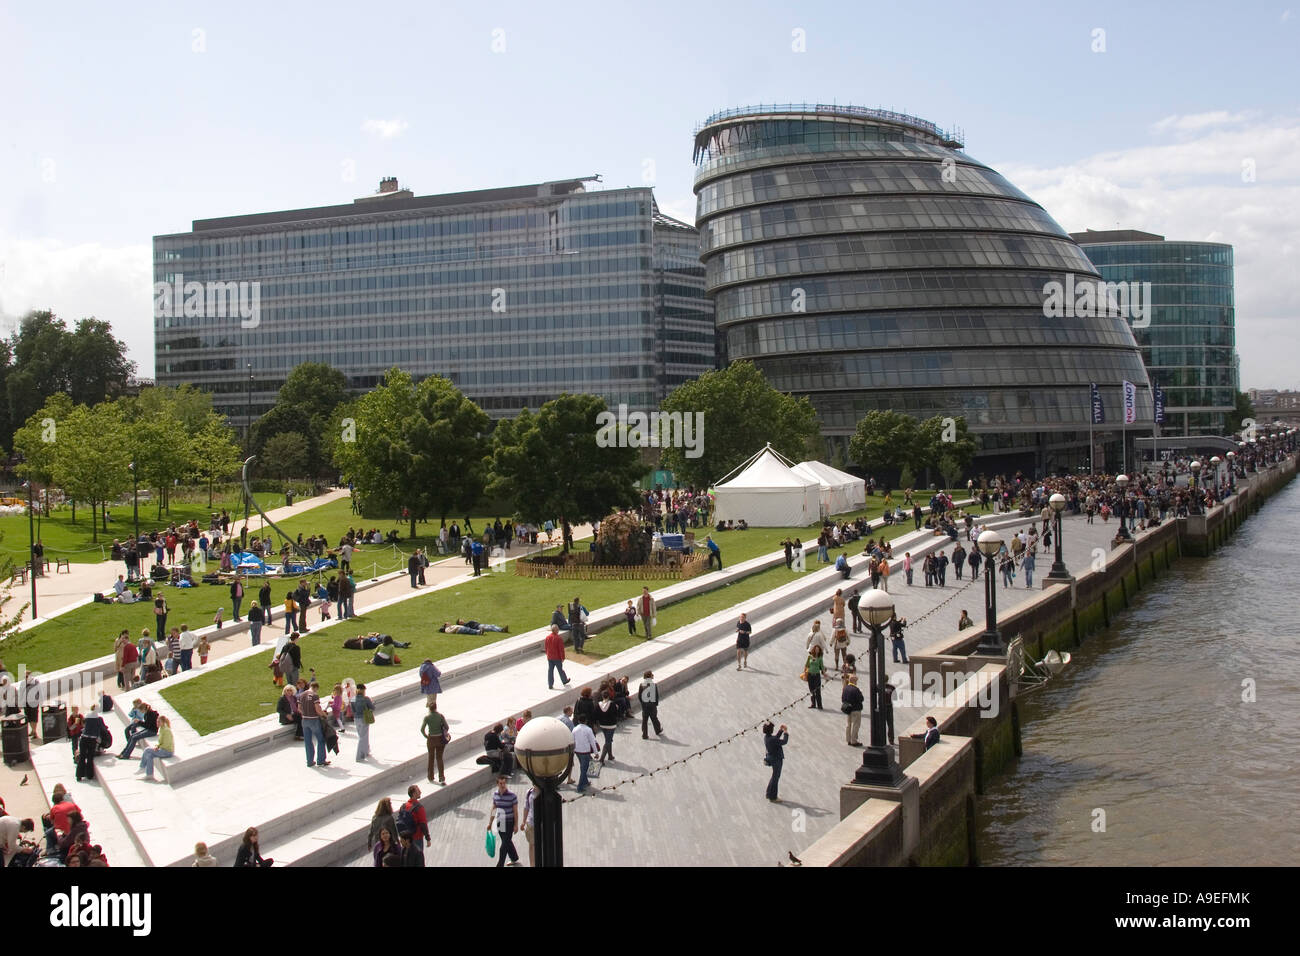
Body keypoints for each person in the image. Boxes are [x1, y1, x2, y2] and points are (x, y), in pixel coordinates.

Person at [488, 775, 521, 866]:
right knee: (506, 842)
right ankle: (514, 857)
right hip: (500, 822)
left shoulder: (512, 796)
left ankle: (500, 864)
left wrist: (516, 825)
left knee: (504, 846)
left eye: (504, 783)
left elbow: (515, 811)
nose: (503, 785)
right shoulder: (495, 795)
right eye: (501, 783)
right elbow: (494, 808)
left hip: (509, 822)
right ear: (497, 784)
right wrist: (490, 822)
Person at [299, 680, 330, 768]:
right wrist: (323, 715)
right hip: (314, 720)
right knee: (320, 740)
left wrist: (305, 714)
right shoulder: (315, 695)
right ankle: (320, 760)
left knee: (308, 741)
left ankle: (309, 761)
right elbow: (317, 709)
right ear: (316, 688)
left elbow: (299, 708)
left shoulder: (301, 695)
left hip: (304, 720)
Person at [421, 700, 449, 785]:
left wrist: (427, 736)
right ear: (436, 707)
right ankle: (441, 776)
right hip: (440, 739)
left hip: (431, 739)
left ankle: (430, 776)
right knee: (439, 758)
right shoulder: (440, 716)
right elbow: (447, 727)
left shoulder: (427, 717)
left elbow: (422, 729)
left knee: (431, 757)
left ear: (429, 708)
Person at [138, 715, 174, 781]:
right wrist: (157, 746)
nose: (157, 723)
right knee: (150, 755)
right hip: (163, 749)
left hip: (168, 752)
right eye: (157, 722)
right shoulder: (161, 729)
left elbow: (166, 744)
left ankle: (142, 767)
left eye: (159, 722)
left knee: (147, 750)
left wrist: (158, 747)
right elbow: (160, 742)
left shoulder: (166, 731)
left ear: (163, 722)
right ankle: (149, 775)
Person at [399, 785, 432, 850]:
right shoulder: (419, 807)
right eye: (418, 791)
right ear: (414, 793)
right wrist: (428, 838)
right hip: (417, 837)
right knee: (418, 858)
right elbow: (423, 824)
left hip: (406, 838)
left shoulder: (403, 806)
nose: (420, 792)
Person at [572, 714, 599, 793]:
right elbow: (592, 742)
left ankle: (585, 782)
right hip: (585, 751)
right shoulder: (588, 730)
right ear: (586, 721)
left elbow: (572, 740)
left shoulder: (574, 729)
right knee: (585, 769)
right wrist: (596, 752)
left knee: (583, 767)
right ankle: (580, 787)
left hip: (577, 751)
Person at [763, 722, 788, 802]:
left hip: (772, 758)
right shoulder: (772, 739)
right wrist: (786, 733)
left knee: (774, 776)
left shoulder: (767, 737)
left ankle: (769, 793)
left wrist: (780, 731)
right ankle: (773, 797)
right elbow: (784, 741)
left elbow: (775, 739)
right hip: (777, 759)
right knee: (776, 777)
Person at [350, 682, 374, 761]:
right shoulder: (366, 699)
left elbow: (353, 710)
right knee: (363, 737)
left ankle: (366, 751)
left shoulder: (353, 699)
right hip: (364, 718)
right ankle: (359, 756)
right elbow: (372, 708)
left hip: (356, 719)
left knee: (362, 736)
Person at [544, 624, 570, 690]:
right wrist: (563, 657)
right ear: (556, 630)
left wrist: (547, 655)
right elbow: (561, 649)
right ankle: (564, 680)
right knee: (560, 670)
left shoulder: (547, 637)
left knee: (550, 671)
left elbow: (546, 647)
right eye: (557, 629)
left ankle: (550, 684)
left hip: (550, 657)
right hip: (557, 657)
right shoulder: (558, 638)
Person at [638, 669, 663, 738]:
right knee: (654, 718)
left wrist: (643, 704)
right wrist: (656, 704)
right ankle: (658, 730)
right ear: (649, 676)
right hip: (652, 706)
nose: (653, 675)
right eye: (652, 674)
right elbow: (656, 696)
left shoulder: (642, 685)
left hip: (645, 706)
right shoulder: (653, 685)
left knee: (645, 720)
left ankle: (644, 734)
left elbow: (639, 696)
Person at [595, 690, 619, 763]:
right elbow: (616, 713)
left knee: (608, 739)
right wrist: (617, 708)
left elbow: (597, 714)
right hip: (611, 725)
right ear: (609, 696)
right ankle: (602, 759)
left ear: (602, 696)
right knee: (608, 741)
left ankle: (610, 755)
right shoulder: (612, 704)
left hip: (602, 725)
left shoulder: (598, 705)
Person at [841, 674, 865, 747]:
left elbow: (843, 699)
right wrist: (860, 693)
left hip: (848, 709)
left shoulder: (845, 688)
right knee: (856, 725)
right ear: (854, 681)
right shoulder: (855, 689)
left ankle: (848, 739)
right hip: (856, 709)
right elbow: (861, 699)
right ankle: (854, 741)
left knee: (848, 725)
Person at [805, 645, 825, 709]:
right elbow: (806, 666)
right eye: (816, 649)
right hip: (810, 675)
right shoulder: (810, 657)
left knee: (817, 690)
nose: (817, 650)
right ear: (813, 650)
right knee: (811, 690)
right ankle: (813, 704)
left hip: (817, 675)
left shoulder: (820, 658)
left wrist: (824, 673)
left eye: (818, 649)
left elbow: (822, 666)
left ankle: (819, 705)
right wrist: (805, 675)